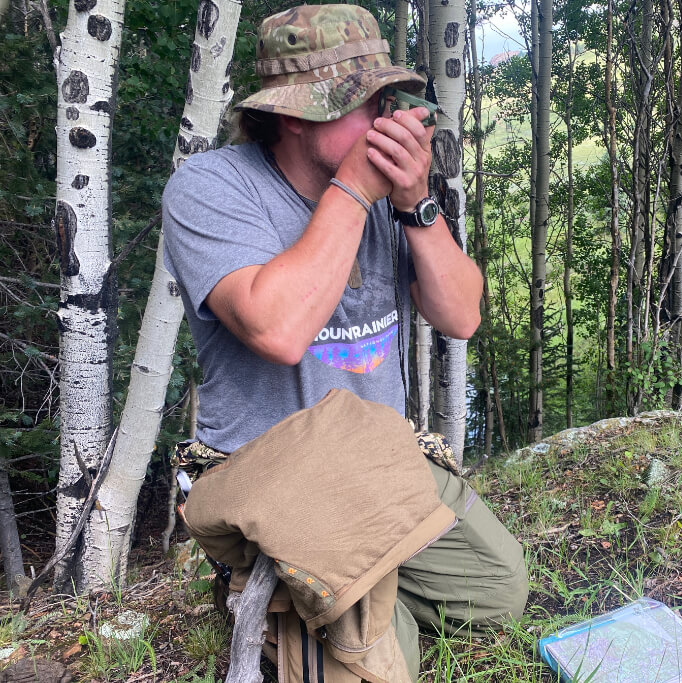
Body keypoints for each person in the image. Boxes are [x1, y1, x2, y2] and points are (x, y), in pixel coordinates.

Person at [162, 4, 528, 676]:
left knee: (500, 588)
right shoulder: (211, 187)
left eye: (392, 99)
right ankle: (282, 592)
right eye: (370, 103)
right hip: (275, 473)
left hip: (380, 458)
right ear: (298, 116)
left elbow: (462, 316)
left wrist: (416, 202)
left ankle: (346, 598)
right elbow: (278, 328)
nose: (391, 119)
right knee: (386, 665)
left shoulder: (390, 197)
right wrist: (354, 187)